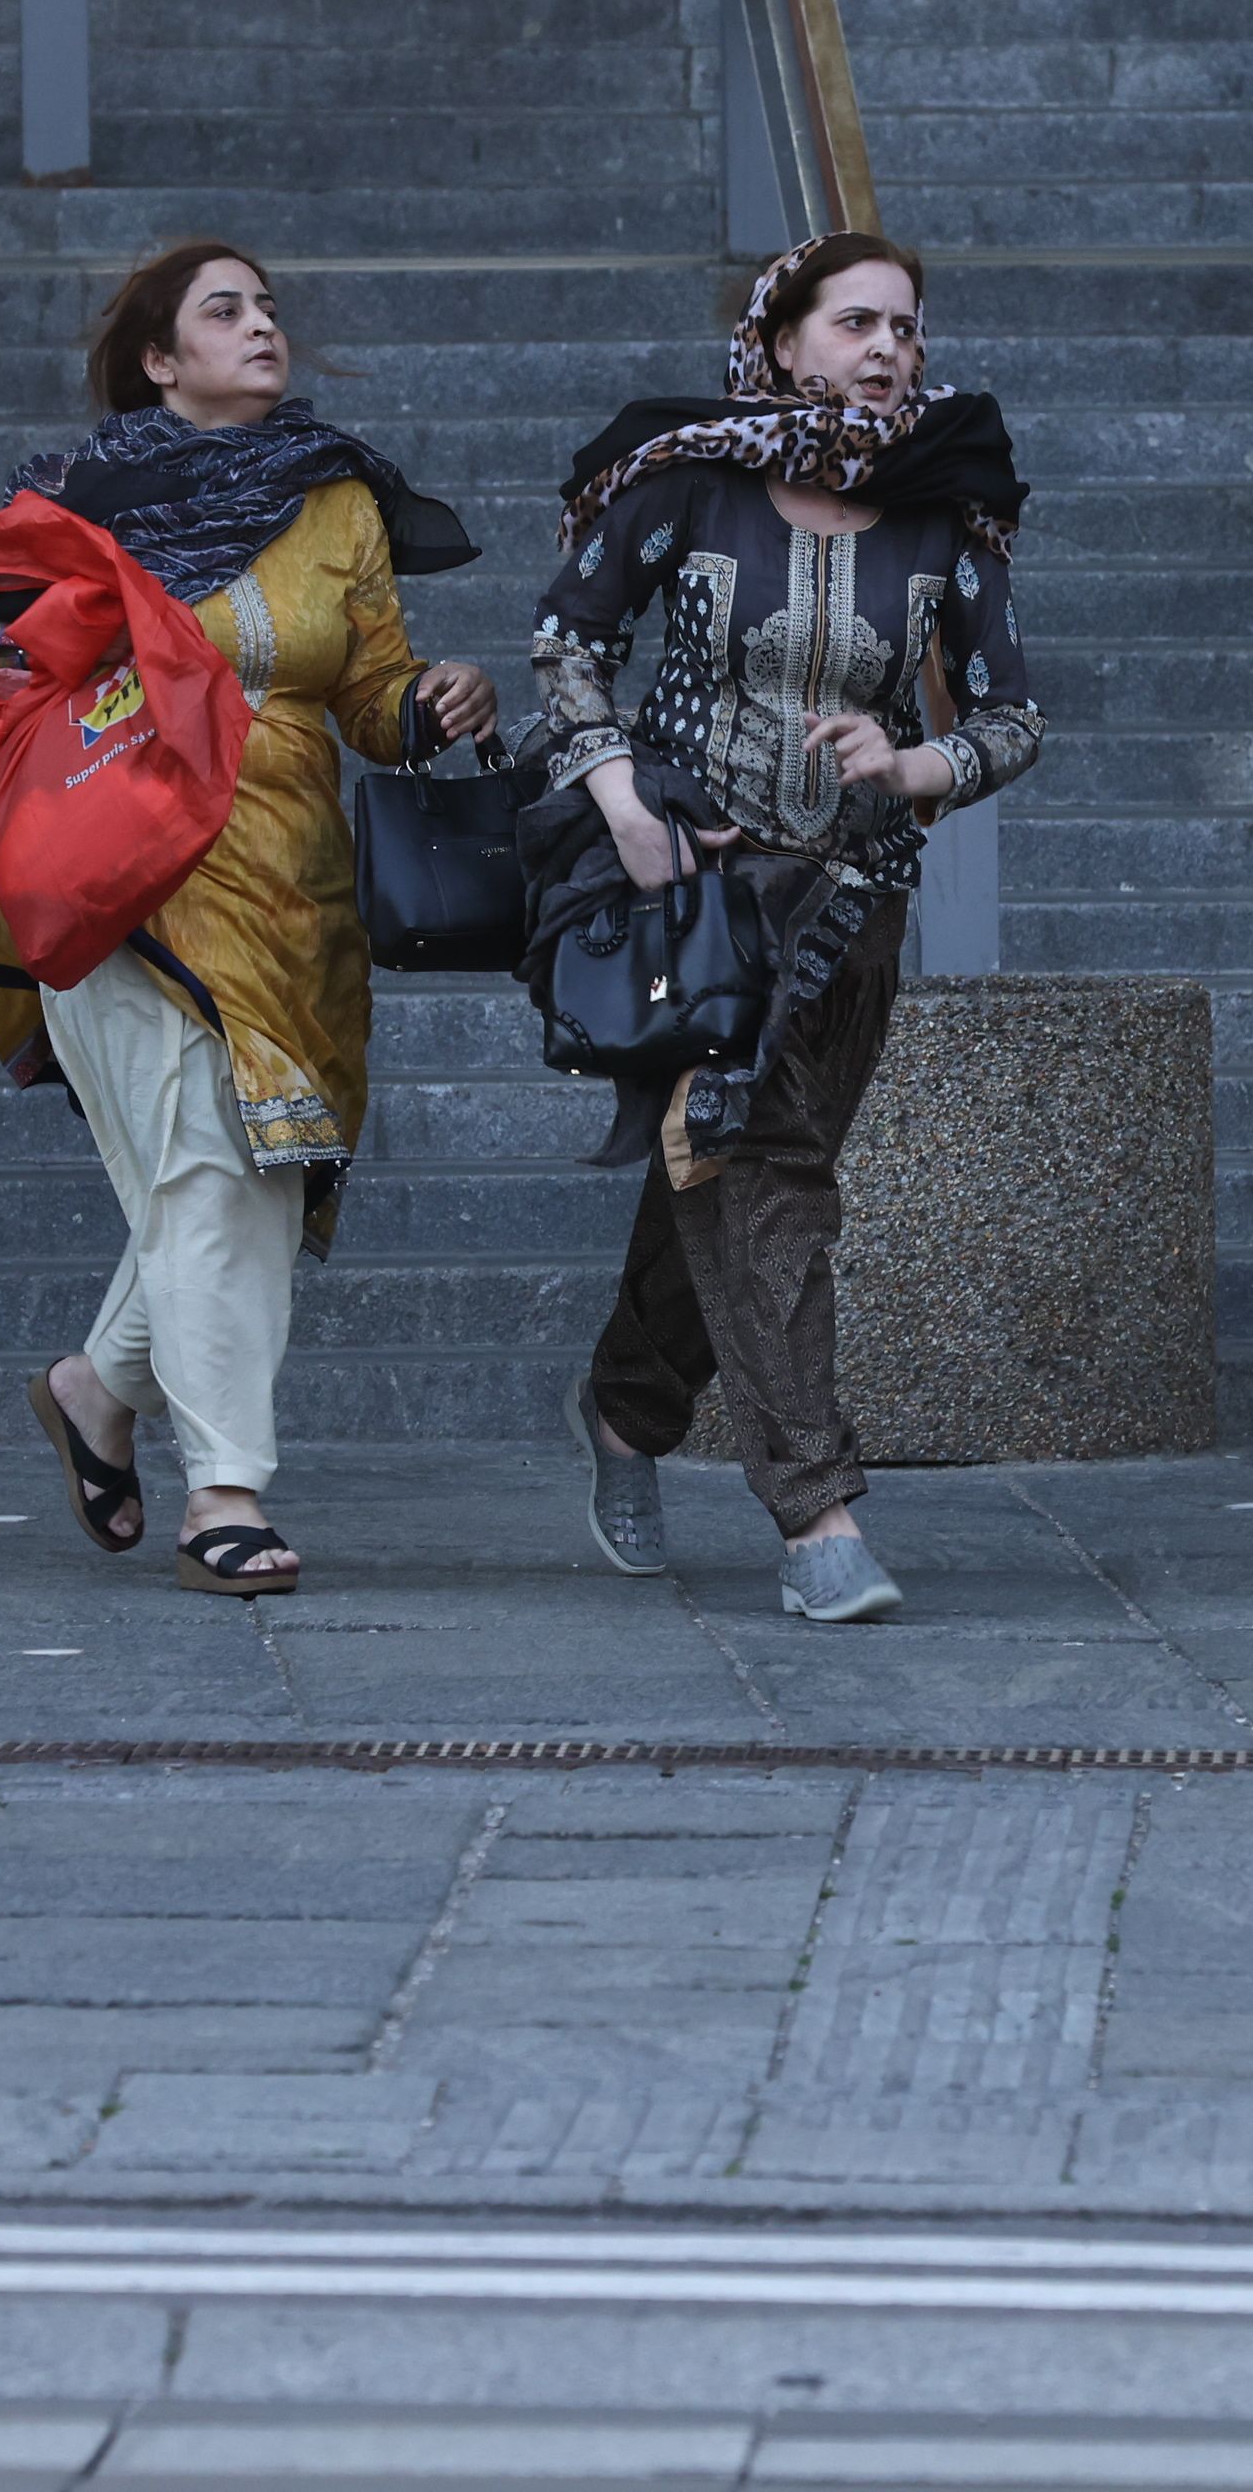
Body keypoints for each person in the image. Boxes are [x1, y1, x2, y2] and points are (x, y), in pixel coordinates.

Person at [0, 240, 495, 1599]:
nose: (262, 325)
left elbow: (370, 694)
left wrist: (432, 702)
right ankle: (224, 1491)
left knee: (258, 1175)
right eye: (225, 311)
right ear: (161, 360)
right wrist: (49, 653)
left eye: (270, 306)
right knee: (201, 1172)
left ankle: (93, 1391)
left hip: (293, 885)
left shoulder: (336, 498)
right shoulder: (85, 502)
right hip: (124, 870)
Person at [527, 234, 1045, 1625]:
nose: (889, 350)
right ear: (779, 343)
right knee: (766, 1180)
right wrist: (620, 797)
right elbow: (570, 640)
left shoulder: (941, 515)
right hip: (694, 899)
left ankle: (627, 1407)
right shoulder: (687, 481)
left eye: (906, 329)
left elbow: (1012, 715)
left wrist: (915, 761)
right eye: (857, 322)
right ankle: (819, 1517)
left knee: (732, 1170)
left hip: (854, 907)